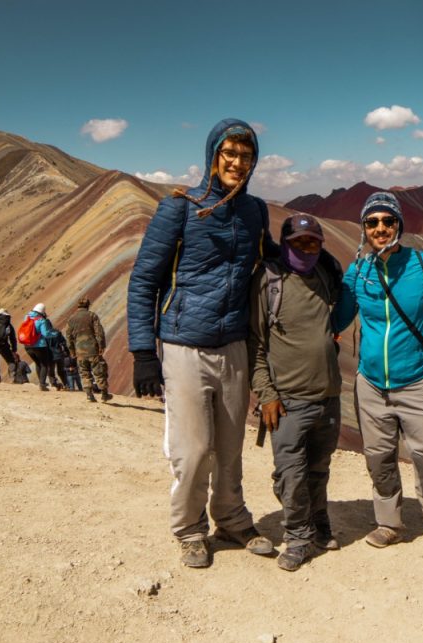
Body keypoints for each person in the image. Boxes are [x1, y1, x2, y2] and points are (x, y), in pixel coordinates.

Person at [127, 118, 279, 569]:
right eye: (229, 153)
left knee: (231, 445)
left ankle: (231, 519)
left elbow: (269, 255)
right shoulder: (178, 208)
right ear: (213, 155)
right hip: (183, 344)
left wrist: (317, 257)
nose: (237, 162)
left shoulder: (255, 211)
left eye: (245, 156)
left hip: (233, 343)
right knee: (193, 449)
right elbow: (144, 282)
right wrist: (142, 353)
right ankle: (189, 528)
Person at [333, 191, 423, 572]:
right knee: (378, 460)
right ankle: (389, 523)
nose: (380, 228)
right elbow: (338, 319)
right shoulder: (358, 272)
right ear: (363, 228)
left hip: (418, 384)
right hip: (371, 385)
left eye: (387, 221)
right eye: (372, 222)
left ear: (399, 225)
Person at [248, 214, 343, 572]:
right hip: (287, 402)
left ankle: (319, 524)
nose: (307, 248)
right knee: (291, 472)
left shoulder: (324, 275)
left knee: (318, 469)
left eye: (313, 242)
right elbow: (255, 344)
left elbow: (344, 298)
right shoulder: (269, 282)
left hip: (328, 396)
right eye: (299, 242)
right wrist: (266, 393)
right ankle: (298, 537)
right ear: (285, 244)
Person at [66, 296, 111, 402]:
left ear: (78, 306)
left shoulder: (71, 319)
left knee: (84, 372)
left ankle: (89, 395)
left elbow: (69, 337)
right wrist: (102, 346)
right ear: (88, 305)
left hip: (79, 351)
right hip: (93, 350)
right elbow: (99, 332)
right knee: (99, 371)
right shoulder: (92, 316)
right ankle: (104, 394)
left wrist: (72, 351)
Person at [22, 303, 62, 391]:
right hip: (39, 346)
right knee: (44, 364)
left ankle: (41, 382)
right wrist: (55, 333)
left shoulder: (26, 317)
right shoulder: (41, 320)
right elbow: (46, 334)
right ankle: (42, 384)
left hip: (27, 345)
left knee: (37, 363)